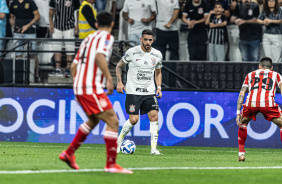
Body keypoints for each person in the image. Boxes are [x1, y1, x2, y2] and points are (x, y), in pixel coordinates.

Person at [59, 11, 133, 174]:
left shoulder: (88, 39)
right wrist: (108, 79)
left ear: (97, 24)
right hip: (91, 87)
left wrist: (78, 86)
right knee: (113, 121)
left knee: (93, 120)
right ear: (112, 24)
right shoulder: (106, 38)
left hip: (80, 86)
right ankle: (111, 165)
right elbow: (99, 56)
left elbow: (73, 66)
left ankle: (68, 153)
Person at [116, 29, 163, 155]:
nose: (148, 42)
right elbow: (119, 66)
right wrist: (120, 82)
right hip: (133, 92)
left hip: (149, 92)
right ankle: (119, 140)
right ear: (141, 39)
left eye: (150, 40)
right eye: (146, 40)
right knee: (134, 119)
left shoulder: (157, 54)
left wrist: (159, 87)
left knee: (154, 116)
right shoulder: (132, 52)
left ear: (153, 40)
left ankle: (153, 149)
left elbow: (158, 72)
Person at [236, 56, 282, 161]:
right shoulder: (276, 75)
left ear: (259, 66)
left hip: (251, 103)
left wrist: (238, 112)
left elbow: (242, 93)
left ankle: (241, 154)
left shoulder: (250, 75)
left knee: (243, 124)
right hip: (267, 104)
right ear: (272, 68)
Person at [9, 0, 41, 82]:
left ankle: (36, 75)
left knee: (33, 54)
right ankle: (20, 77)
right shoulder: (13, 3)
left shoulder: (30, 2)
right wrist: (14, 26)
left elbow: (37, 16)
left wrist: (28, 26)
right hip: (18, 33)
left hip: (30, 31)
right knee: (18, 54)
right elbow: (11, 17)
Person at [49, 0, 80, 78]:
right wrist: (51, 24)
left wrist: (77, 25)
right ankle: (57, 68)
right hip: (57, 26)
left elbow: (77, 12)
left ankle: (68, 68)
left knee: (70, 47)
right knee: (56, 47)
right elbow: (51, 11)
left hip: (69, 26)